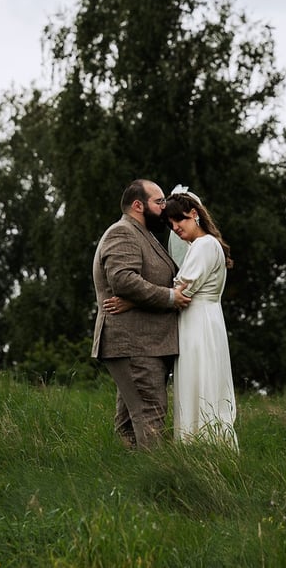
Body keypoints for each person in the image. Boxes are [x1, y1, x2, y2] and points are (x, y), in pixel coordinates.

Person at [106, 186, 238, 448]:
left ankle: (199, 448)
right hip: (207, 321)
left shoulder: (202, 246)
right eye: (170, 223)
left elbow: (182, 291)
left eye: (180, 220)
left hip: (197, 324)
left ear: (195, 214)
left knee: (197, 385)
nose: (175, 227)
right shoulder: (208, 245)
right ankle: (207, 449)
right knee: (203, 386)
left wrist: (131, 301)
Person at [92, 179, 191, 450]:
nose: (165, 207)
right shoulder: (122, 233)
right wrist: (171, 297)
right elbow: (124, 280)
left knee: (129, 426)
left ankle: (124, 487)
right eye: (159, 202)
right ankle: (157, 486)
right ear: (138, 205)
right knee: (151, 416)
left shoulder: (142, 233)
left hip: (144, 343)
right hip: (134, 343)